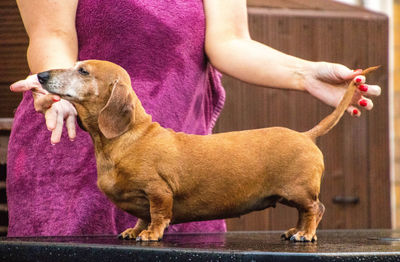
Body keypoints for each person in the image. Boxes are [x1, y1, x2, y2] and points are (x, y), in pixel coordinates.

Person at [7, 0, 381, 237]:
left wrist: (304, 74)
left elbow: (231, 41)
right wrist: (56, 88)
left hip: (186, 161)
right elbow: (51, 33)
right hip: (68, 133)